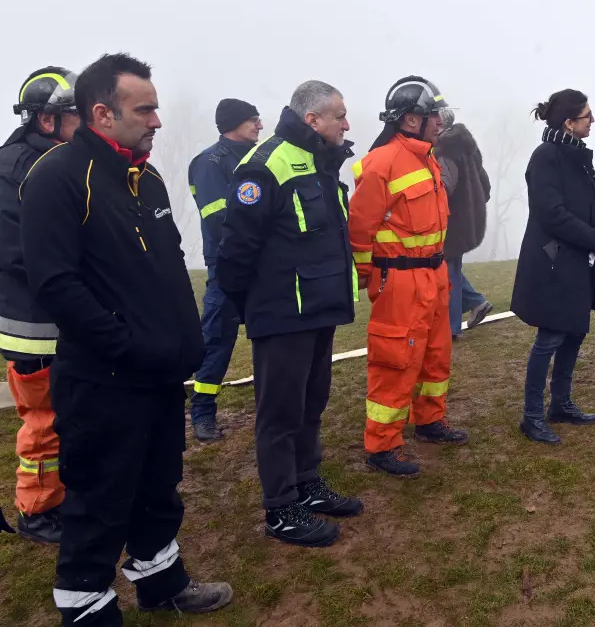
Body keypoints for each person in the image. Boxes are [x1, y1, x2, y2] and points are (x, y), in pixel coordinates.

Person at [21, 53, 232, 624]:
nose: (158, 120)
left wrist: (180, 344)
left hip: (160, 376)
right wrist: (125, 345)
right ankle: (87, 608)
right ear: (102, 113)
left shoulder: (147, 174)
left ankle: (161, 583)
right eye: (146, 109)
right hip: (103, 381)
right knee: (98, 500)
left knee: (158, 487)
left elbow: (166, 264)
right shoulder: (59, 176)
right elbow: (54, 283)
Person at [217, 81, 362, 548]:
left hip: (318, 310)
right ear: (312, 120)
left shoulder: (323, 162)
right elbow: (235, 250)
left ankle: (307, 484)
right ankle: (280, 509)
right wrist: (254, 308)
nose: (346, 123)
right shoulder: (264, 165)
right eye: (339, 115)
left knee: (311, 404)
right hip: (282, 314)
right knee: (279, 414)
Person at [348, 76, 467, 481]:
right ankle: (382, 444)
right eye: (435, 115)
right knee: (396, 361)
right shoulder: (381, 162)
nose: (441, 122)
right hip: (399, 281)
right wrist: (373, 279)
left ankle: (431, 422)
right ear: (412, 119)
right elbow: (360, 230)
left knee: (436, 354)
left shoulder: (427, 157)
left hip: (434, 274)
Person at [1, 67, 80, 544]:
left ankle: (60, 494)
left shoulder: (47, 160)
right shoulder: (16, 170)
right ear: (47, 121)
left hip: (57, 317)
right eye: (75, 116)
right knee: (43, 420)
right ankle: (37, 509)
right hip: (32, 324)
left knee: (64, 414)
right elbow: (23, 253)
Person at [511, 90, 595, 444]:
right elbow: (552, 214)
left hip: (578, 259)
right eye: (587, 116)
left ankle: (560, 404)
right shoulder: (546, 157)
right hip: (553, 260)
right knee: (551, 336)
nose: (593, 121)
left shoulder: (577, 156)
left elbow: (586, 205)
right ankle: (531, 416)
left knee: (574, 330)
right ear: (569, 123)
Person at [185, 99, 261, 442]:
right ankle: (202, 412)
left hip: (262, 267)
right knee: (216, 341)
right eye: (253, 120)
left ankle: (270, 404)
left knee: (269, 337)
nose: (260, 126)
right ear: (234, 123)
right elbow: (218, 219)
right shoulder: (209, 163)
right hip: (228, 268)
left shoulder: (258, 160)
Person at [433, 109, 494, 339]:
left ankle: (451, 328)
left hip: (451, 221)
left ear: (441, 126)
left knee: (448, 273)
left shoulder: (444, 150)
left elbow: (445, 187)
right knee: (453, 269)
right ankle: (477, 303)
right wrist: (476, 203)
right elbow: (484, 181)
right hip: (466, 219)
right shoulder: (466, 146)